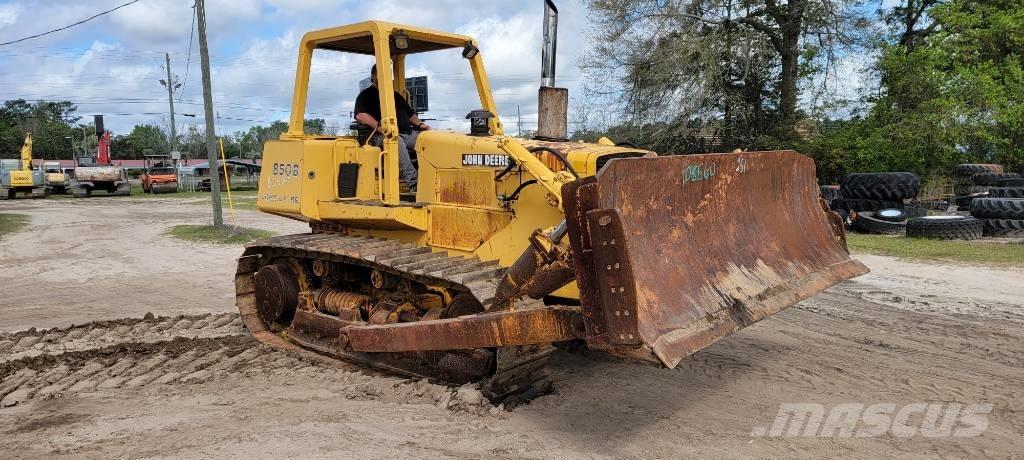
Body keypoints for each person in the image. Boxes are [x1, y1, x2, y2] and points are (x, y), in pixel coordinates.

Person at [354, 64, 430, 191]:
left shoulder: (395, 95)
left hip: (408, 134)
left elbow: (411, 115)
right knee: (395, 141)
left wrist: (421, 125)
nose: (386, 77)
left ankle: (430, 179)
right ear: (374, 76)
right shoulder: (366, 95)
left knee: (428, 139)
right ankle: (414, 184)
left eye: (388, 74)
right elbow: (360, 115)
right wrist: (379, 126)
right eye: (382, 74)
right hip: (381, 136)